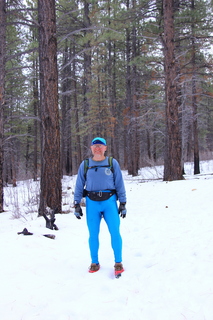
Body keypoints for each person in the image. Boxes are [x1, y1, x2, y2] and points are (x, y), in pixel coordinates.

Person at [74, 137, 127, 277]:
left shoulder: (111, 163)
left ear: (105, 148)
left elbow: (119, 183)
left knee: (115, 232)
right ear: (91, 148)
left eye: (100, 146)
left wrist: (122, 203)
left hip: (109, 202)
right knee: (93, 234)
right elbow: (79, 185)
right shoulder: (85, 164)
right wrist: (76, 204)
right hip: (92, 203)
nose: (97, 148)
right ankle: (94, 262)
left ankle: (118, 262)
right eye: (95, 146)